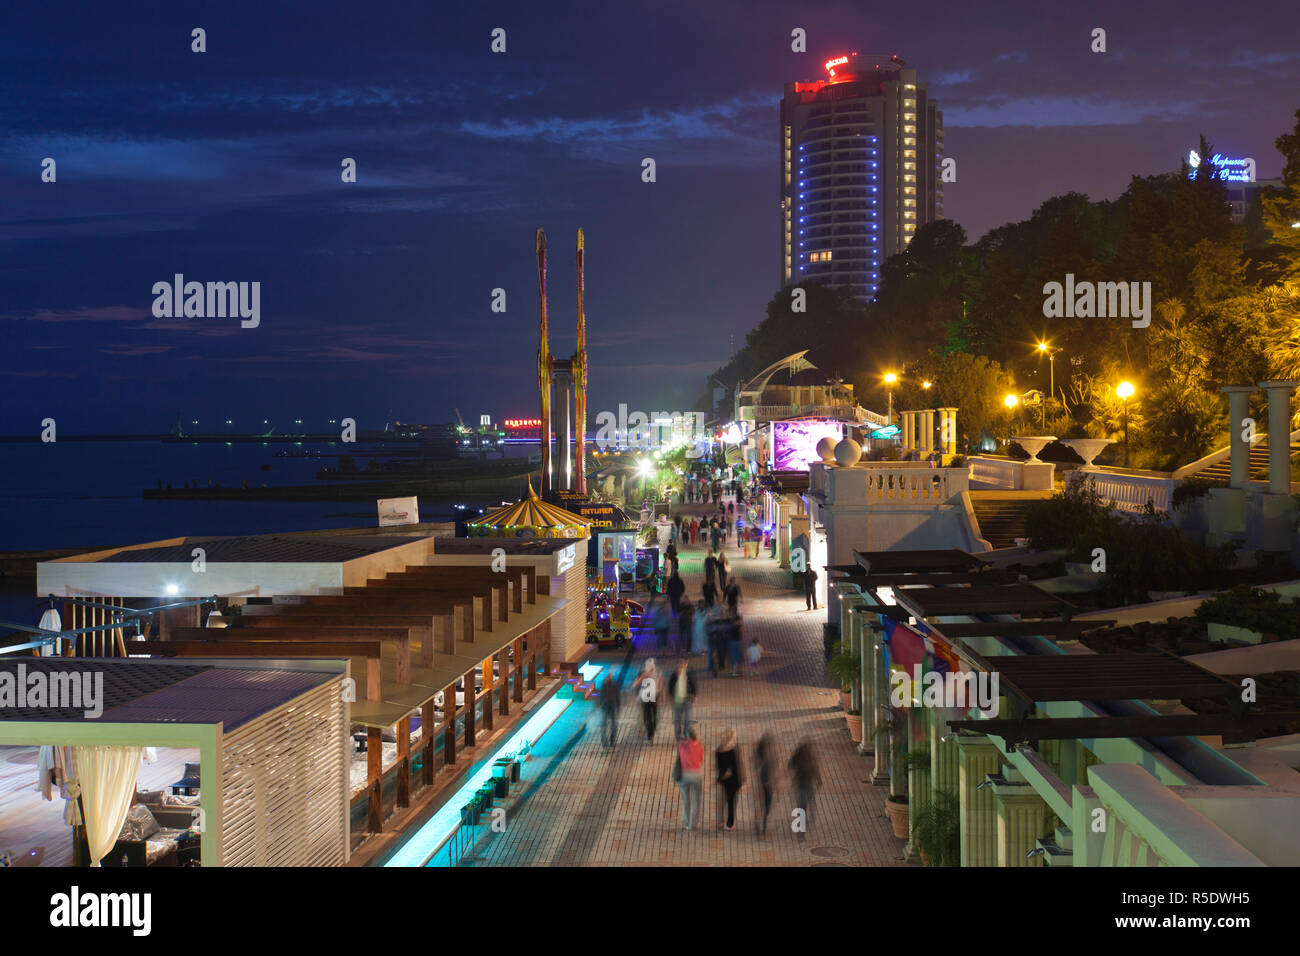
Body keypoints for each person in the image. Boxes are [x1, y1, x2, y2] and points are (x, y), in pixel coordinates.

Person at [788, 739, 822, 836]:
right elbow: (790, 765)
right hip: (801, 784)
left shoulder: (810, 757)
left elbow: (815, 768)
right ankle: (801, 830)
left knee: (808, 802)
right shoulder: (798, 757)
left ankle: (808, 818)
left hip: (807, 784)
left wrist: (818, 779)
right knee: (803, 805)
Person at [676, 725, 704, 830]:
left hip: (685, 776)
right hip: (696, 775)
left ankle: (687, 824)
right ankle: (694, 823)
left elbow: (680, 758)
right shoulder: (700, 747)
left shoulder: (682, 746)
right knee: (697, 800)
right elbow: (701, 760)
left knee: (686, 800)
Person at [715, 728, 743, 831]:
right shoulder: (734, 750)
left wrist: (722, 775)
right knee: (731, 803)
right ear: (731, 738)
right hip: (734, 781)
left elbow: (718, 767)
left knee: (723, 801)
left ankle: (720, 822)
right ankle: (729, 824)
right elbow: (737, 767)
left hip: (724, 781)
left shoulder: (719, 750)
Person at [668, 658, 696, 738]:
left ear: (684, 668)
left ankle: (686, 734)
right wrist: (671, 698)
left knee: (688, 719)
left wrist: (695, 695)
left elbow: (694, 684)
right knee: (677, 720)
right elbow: (670, 688)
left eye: (682, 668)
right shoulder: (673, 676)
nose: (680, 670)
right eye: (678, 668)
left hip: (688, 700)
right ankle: (678, 735)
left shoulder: (688, 675)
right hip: (677, 701)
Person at [754, 733, 775, 835]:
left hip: (763, 784)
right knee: (766, 807)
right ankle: (763, 828)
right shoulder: (768, 757)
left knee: (763, 806)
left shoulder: (762, 754)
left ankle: (761, 827)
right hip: (766, 785)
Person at [636, 658, 659, 741]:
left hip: (654, 698)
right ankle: (650, 734)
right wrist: (642, 677)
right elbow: (636, 684)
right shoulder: (642, 673)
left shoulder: (656, 673)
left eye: (653, 665)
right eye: (650, 666)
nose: (653, 667)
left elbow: (658, 684)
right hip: (645, 699)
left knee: (655, 717)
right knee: (647, 718)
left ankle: (652, 729)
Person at [600, 673, 620, 751]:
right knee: (603, 726)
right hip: (605, 707)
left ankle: (612, 741)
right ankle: (605, 745)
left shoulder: (614, 684)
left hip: (612, 707)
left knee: (614, 724)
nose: (608, 678)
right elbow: (600, 696)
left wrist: (618, 706)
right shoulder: (603, 685)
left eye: (609, 676)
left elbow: (617, 695)